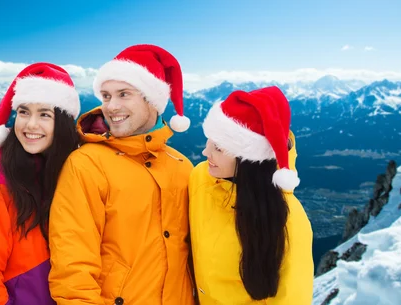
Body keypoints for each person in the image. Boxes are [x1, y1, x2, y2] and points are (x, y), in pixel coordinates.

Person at [48, 44, 196, 305]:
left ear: (152, 99)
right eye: (105, 96)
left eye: (123, 94)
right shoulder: (86, 164)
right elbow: (72, 264)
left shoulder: (182, 167)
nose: (111, 106)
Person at [0, 63, 81, 305]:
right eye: (24, 112)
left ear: (63, 123)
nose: (30, 125)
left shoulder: (74, 174)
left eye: (44, 115)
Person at [188, 87, 314, 304]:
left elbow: (292, 298)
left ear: (248, 160)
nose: (205, 153)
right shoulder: (201, 177)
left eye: (218, 148)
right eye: (209, 141)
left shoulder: (287, 218)